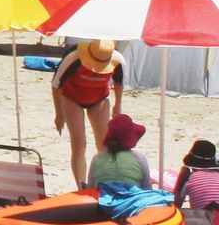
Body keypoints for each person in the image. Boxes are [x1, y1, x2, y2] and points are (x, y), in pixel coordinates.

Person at [51, 40, 123, 183]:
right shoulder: (74, 57)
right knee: (79, 144)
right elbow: (56, 84)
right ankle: (81, 185)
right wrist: (59, 114)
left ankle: (102, 184)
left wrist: (117, 105)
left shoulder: (118, 60)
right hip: (72, 97)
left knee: (104, 145)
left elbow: (119, 82)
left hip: (99, 98)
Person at [87, 114, 152, 189]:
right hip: (131, 199)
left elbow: (90, 188)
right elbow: (147, 187)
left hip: (103, 199)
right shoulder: (139, 157)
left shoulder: (97, 158)